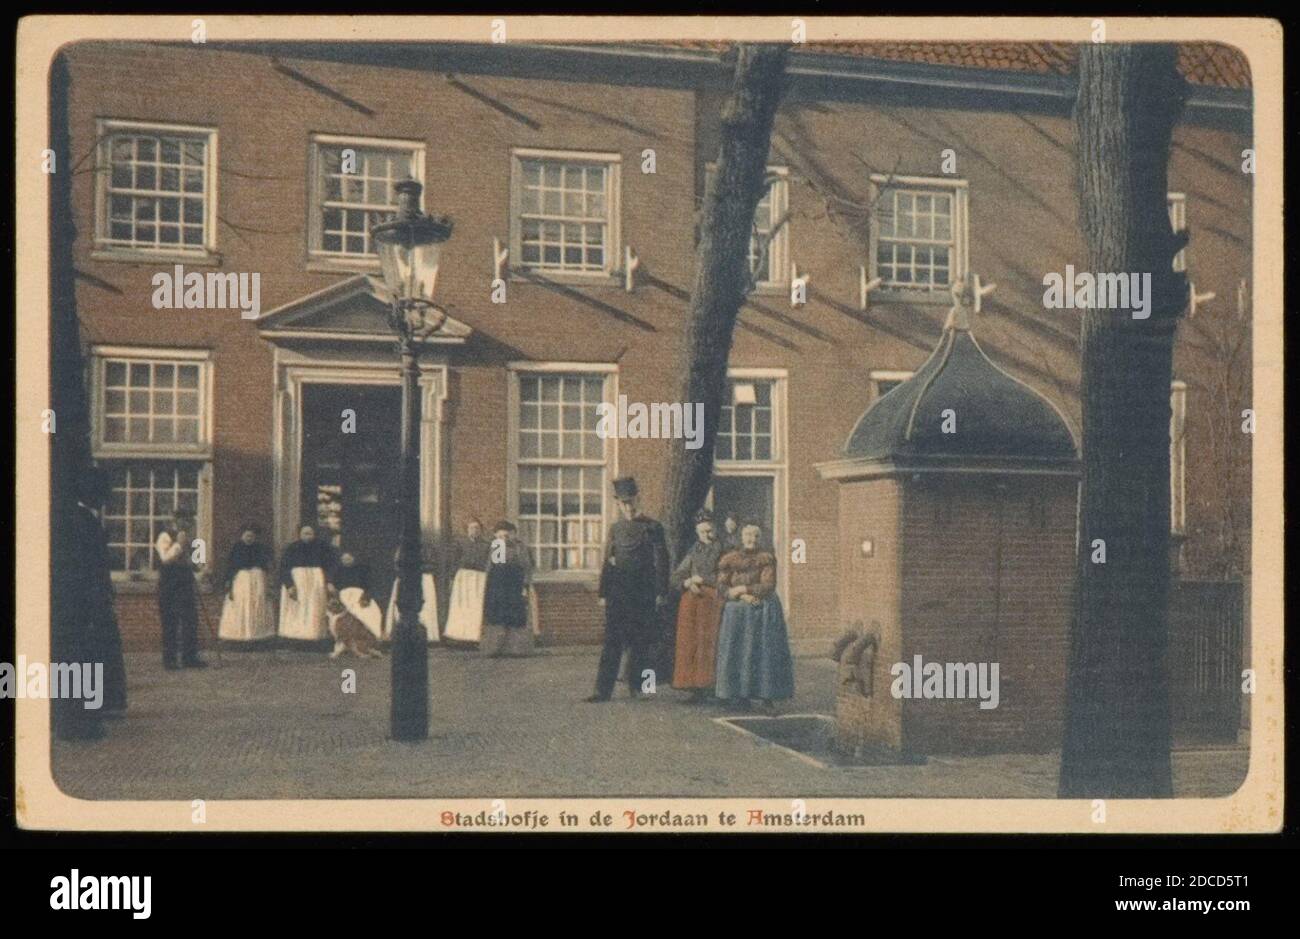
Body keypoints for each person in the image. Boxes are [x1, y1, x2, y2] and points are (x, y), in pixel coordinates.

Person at [586, 476, 669, 702]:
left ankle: (638, 687)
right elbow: (608, 560)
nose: (629, 507)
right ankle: (601, 691)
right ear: (618, 504)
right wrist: (603, 592)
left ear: (638, 500)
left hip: (643, 592)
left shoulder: (653, 527)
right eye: (624, 503)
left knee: (641, 641)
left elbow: (661, 560)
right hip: (618, 594)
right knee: (612, 642)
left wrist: (661, 591)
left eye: (632, 502)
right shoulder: (615, 529)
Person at [714, 522, 794, 712]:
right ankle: (740, 696)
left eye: (756, 536)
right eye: (748, 535)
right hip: (738, 614)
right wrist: (741, 595)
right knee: (739, 652)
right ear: (741, 536)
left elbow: (768, 585)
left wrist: (746, 589)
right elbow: (722, 585)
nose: (752, 539)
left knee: (763, 654)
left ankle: (767, 699)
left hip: (762, 612)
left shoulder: (766, 559)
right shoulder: (729, 559)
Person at [75, 466, 128, 713]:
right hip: (90, 597)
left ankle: (104, 701)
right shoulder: (83, 521)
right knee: (97, 648)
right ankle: (100, 702)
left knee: (101, 647)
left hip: (96, 594)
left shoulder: (87, 519)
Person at [671, 509, 726, 704]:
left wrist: (702, 579)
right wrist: (686, 583)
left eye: (709, 531)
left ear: (715, 529)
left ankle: (711, 686)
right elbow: (677, 575)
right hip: (691, 601)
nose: (707, 535)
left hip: (712, 601)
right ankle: (694, 687)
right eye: (702, 532)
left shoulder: (723, 550)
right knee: (691, 643)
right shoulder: (694, 550)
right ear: (697, 532)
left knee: (709, 643)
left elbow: (725, 578)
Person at [156, 508, 206, 669]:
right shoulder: (165, 536)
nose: (187, 524)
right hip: (169, 585)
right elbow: (165, 559)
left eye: (189, 521)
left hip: (186, 586)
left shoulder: (196, 541)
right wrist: (178, 544)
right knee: (170, 623)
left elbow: (199, 564)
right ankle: (169, 660)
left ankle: (189, 657)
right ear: (175, 521)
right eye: (183, 520)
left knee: (190, 621)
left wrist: (203, 570)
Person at [480, 521, 534, 657]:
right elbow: (493, 567)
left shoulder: (520, 547)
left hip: (516, 584)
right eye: (501, 534)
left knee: (516, 616)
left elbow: (527, 566)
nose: (505, 537)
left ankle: (516, 649)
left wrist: (526, 584)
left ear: (513, 534)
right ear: (496, 535)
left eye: (508, 533)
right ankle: (495, 648)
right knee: (497, 616)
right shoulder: (496, 547)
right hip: (498, 586)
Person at [278, 524, 336, 641]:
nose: (307, 536)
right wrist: (289, 585)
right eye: (305, 533)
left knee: (313, 607)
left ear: (314, 534)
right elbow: (284, 568)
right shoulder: (292, 548)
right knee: (297, 607)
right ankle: (294, 637)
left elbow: (330, 566)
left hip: (315, 581)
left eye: (310, 533)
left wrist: (329, 581)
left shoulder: (322, 547)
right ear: (299, 534)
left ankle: (313, 635)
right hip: (297, 581)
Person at [218, 524, 274, 642]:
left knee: (256, 604)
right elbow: (231, 566)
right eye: (247, 535)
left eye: (251, 536)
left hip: (257, 579)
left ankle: (256, 635)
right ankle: (240, 635)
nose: (249, 538)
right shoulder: (237, 548)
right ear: (242, 536)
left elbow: (266, 566)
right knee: (241, 604)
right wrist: (228, 582)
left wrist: (267, 581)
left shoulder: (260, 548)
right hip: (241, 580)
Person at [443, 518, 491, 644]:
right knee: (462, 606)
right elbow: (454, 561)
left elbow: (489, 562)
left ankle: (475, 637)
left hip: (479, 577)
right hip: (463, 578)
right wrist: (452, 577)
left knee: (476, 606)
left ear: (481, 530)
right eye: (471, 528)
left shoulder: (487, 545)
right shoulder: (460, 543)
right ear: (467, 530)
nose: (474, 530)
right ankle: (459, 637)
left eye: (477, 528)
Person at [384, 542, 439, 642]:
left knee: (424, 605)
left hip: (423, 578)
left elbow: (432, 564)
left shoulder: (427, 547)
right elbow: (397, 564)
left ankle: (423, 633)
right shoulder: (402, 548)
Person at [332, 550, 383, 639]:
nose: (346, 561)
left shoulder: (362, 569)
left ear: (354, 558)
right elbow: (335, 587)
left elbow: (368, 586)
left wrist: (365, 597)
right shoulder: (338, 571)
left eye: (349, 559)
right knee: (349, 613)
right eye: (344, 559)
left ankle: (368, 638)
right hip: (344, 596)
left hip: (359, 595)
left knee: (371, 612)